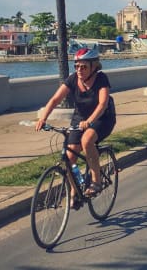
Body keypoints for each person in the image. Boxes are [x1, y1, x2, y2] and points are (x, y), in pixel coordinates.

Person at [36, 47, 116, 201]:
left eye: (84, 66)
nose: (79, 70)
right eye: (76, 66)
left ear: (94, 67)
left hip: (102, 118)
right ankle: (74, 192)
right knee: (70, 155)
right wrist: (43, 118)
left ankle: (96, 181)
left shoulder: (101, 79)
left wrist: (90, 122)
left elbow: (102, 104)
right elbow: (55, 100)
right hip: (80, 118)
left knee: (87, 140)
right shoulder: (73, 79)